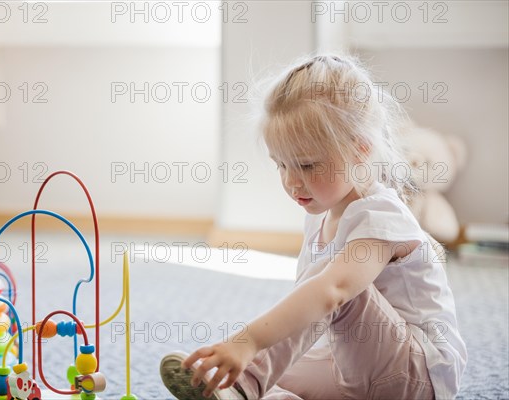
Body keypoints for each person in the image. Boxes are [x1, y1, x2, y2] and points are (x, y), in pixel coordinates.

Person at [159, 53, 467, 400]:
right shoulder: (320, 216)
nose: (292, 182)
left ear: (359, 150)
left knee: (328, 289)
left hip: (415, 377)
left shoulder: (382, 214)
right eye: (281, 165)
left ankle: (246, 383)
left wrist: (249, 341)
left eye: (306, 165)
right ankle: (246, 388)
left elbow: (332, 291)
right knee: (280, 382)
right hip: (361, 364)